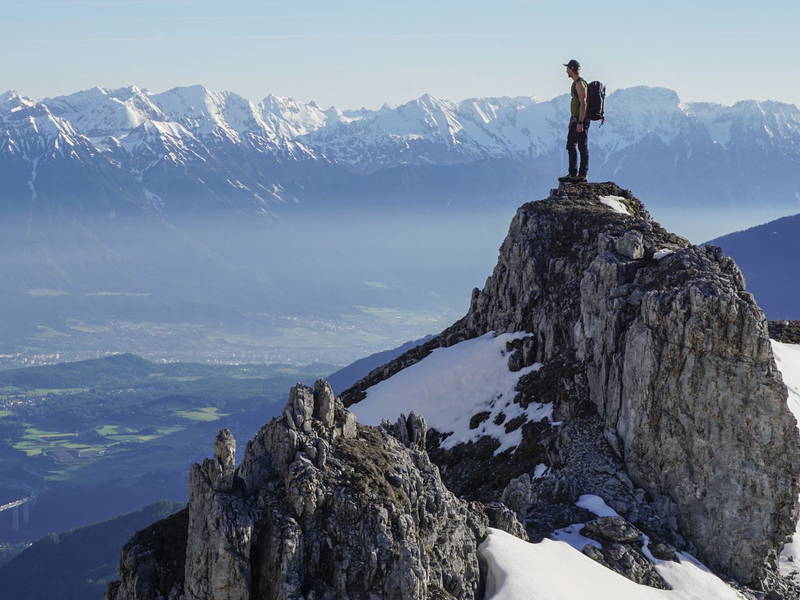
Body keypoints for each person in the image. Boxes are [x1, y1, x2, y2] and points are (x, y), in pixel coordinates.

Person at [558, 59, 589, 183]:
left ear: (571, 69)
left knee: (582, 146)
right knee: (570, 145)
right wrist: (573, 120)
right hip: (575, 120)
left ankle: (582, 175)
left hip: (581, 120)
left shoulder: (580, 84)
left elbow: (583, 103)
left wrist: (581, 122)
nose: (566, 71)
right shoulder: (575, 83)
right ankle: (572, 173)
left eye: (567, 68)